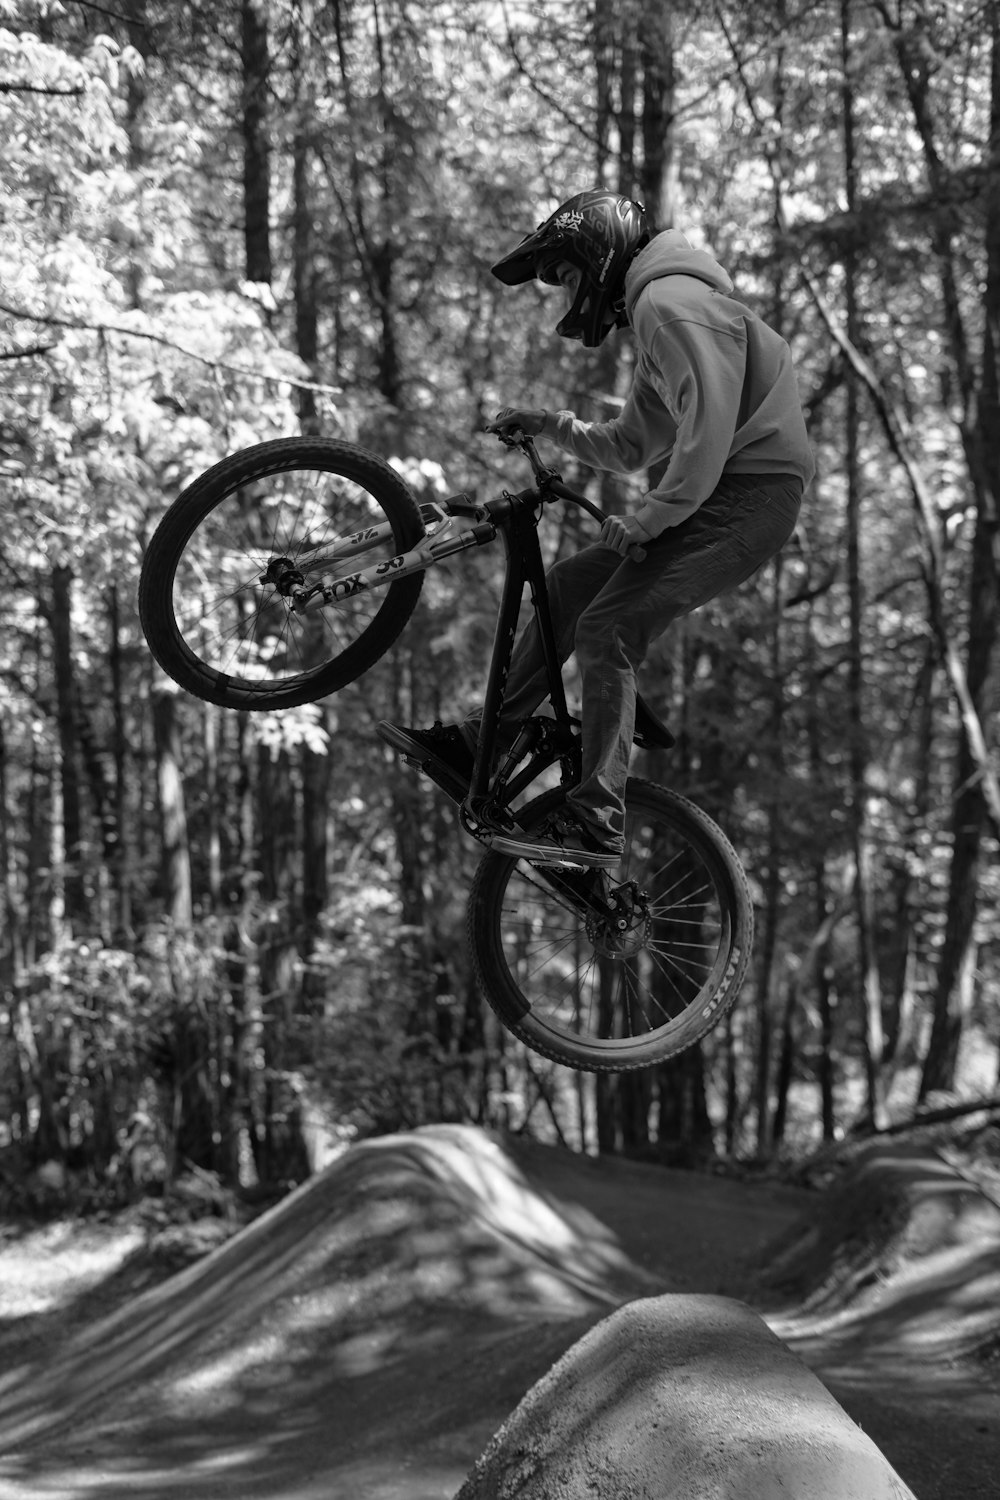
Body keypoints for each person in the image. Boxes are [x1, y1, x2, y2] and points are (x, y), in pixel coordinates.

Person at [379, 189, 814, 868]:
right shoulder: (660, 315)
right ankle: (481, 747)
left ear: (600, 254)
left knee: (606, 629)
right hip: (728, 494)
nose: (568, 295)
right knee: (565, 590)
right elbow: (632, 445)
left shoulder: (670, 308)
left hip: (750, 498)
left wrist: (647, 519)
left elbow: (705, 441)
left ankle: (596, 824)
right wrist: (551, 425)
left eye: (569, 276)